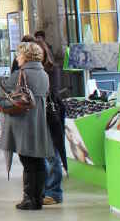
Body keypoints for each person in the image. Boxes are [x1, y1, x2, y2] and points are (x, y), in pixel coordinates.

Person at [0, 41, 56, 211]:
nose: (17, 58)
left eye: (19, 54)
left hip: (23, 124)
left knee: (28, 163)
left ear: (26, 56)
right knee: (38, 162)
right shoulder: (44, 74)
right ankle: (38, 198)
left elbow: (2, 90)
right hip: (39, 123)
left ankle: (29, 199)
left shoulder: (20, 74)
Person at [37, 36, 66, 206]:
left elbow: (51, 92)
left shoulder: (51, 69)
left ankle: (54, 192)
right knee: (42, 155)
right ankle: (45, 189)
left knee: (52, 155)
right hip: (38, 116)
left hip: (50, 115)